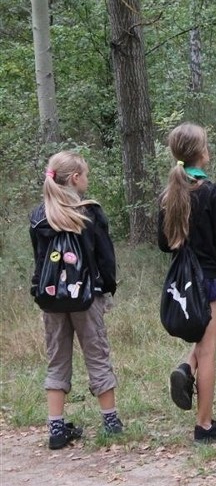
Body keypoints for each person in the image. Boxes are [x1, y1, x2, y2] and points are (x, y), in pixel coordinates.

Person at [29, 151, 122, 449]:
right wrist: (107, 288)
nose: (87, 179)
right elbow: (105, 259)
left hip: (51, 299)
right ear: (75, 178)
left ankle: (56, 429)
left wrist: (38, 290)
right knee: (97, 355)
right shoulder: (90, 213)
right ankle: (111, 422)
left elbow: (39, 261)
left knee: (57, 360)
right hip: (87, 297)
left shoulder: (38, 215)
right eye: (86, 174)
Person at [159, 123, 216, 442]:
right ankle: (204, 425)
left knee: (215, 334)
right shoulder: (212, 192)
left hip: (185, 281)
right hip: (211, 280)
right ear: (201, 153)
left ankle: (185, 368)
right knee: (209, 350)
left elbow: (165, 244)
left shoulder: (170, 194)